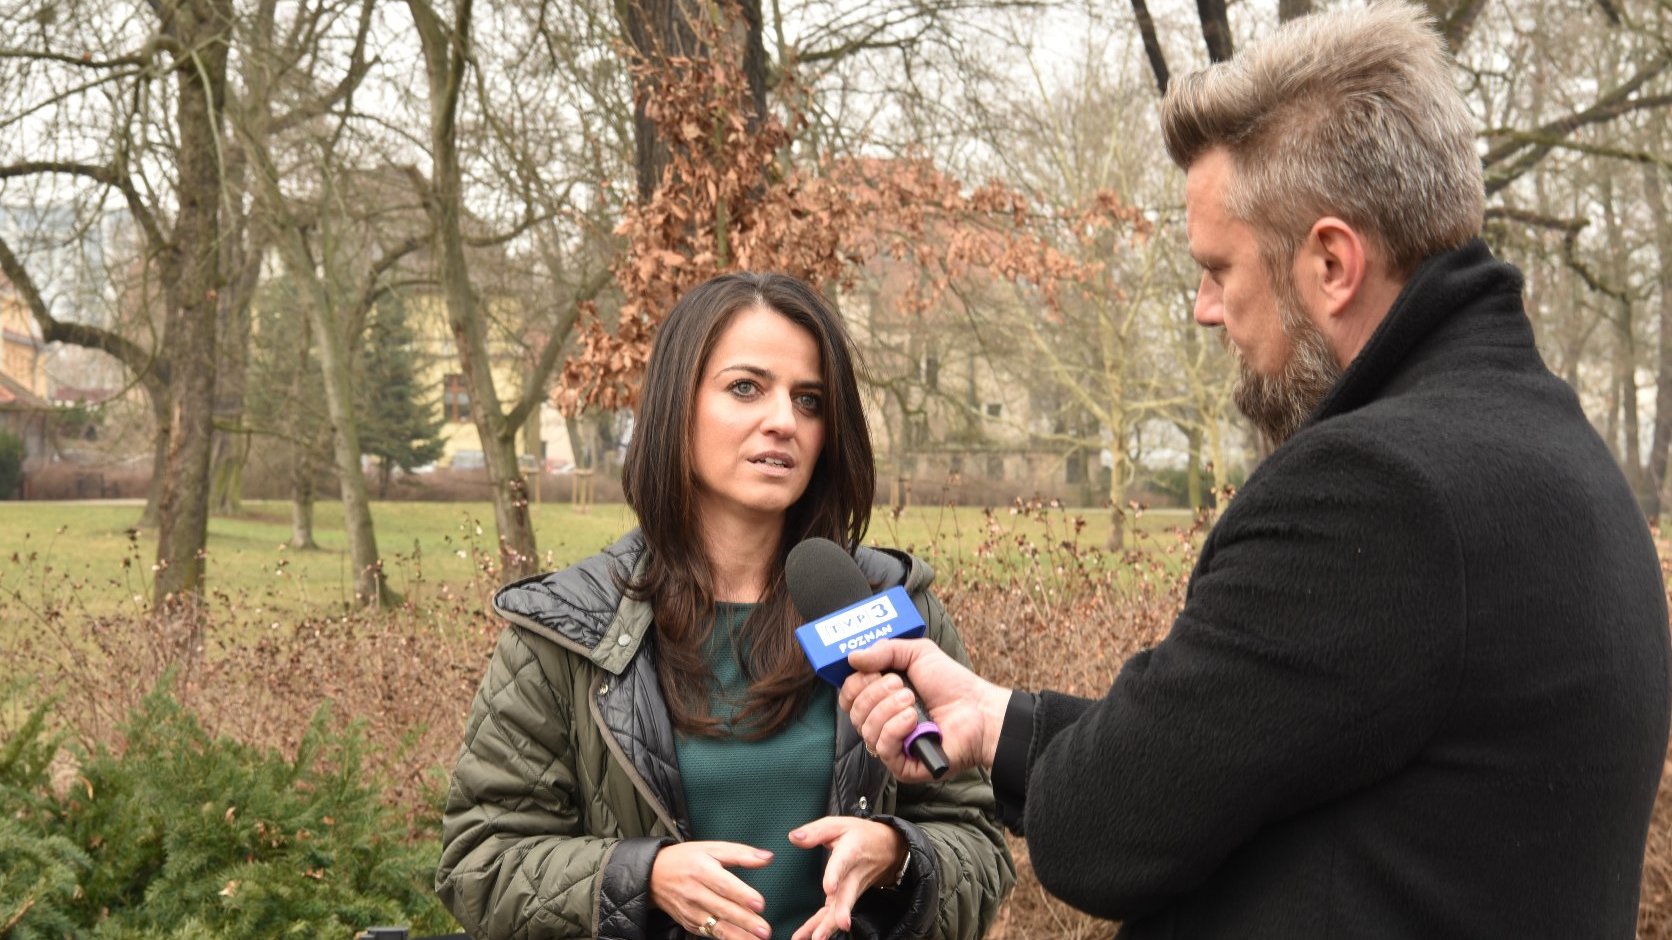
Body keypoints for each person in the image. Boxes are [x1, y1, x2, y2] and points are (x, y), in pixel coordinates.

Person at [840, 3, 1671, 937]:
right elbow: (1238, 751)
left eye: (1218, 268)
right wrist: (996, 724)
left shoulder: (1376, 492)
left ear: (1330, 262)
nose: (1205, 309)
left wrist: (1062, 778)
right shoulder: (1552, 452)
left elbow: (1108, 827)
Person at [435, 272, 1013, 940]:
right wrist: (641, 877)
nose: (783, 421)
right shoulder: (568, 630)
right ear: (677, 407)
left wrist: (898, 856)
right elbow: (480, 864)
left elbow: (978, 848)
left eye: (810, 400)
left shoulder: (890, 608)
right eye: (746, 387)